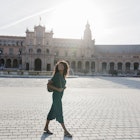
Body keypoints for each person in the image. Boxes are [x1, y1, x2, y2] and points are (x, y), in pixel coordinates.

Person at [44, 60, 72, 137]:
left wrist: (63, 87)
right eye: (59, 65)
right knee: (59, 113)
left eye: (62, 65)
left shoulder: (62, 75)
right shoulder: (57, 75)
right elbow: (49, 85)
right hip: (56, 97)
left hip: (59, 96)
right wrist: (58, 89)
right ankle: (65, 131)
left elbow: (60, 85)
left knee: (52, 112)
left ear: (65, 67)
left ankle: (46, 127)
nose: (60, 66)